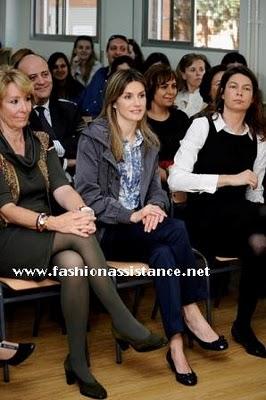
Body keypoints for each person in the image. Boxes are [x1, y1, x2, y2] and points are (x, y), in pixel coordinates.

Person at [0, 66, 167, 399]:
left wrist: (83, 212)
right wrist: (59, 223)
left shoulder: (40, 141)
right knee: (78, 235)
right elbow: (5, 208)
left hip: (48, 233)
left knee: (75, 267)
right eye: (13, 101)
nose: (23, 108)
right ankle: (121, 319)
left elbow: (63, 188)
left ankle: (77, 361)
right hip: (10, 237)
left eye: (26, 100)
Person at [75, 69, 228, 388]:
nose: (136, 102)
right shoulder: (94, 138)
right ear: (114, 101)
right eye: (128, 96)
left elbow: (157, 191)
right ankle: (191, 309)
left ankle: (175, 345)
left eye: (141, 95)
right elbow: (87, 194)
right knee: (177, 231)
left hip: (147, 230)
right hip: (108, 232)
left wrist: (156, 207)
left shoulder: (149, 141)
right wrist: (131, 215)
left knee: (164, 256)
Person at [168, 65, 266, 358]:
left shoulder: (258, 137)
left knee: (259, 240)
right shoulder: (202, 126)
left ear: (253, 98)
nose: (239, 93)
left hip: (242, 219)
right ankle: (242, 327)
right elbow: (176, 178)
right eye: (233, 86)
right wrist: (227, 179)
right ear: (221, 93)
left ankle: (243, 325)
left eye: (246, 89)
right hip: (204, 218)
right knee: (258, 237)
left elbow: (254, 190)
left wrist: (249, 195)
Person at [17, 54, 84, 181]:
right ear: (20, 82)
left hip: (77, 183)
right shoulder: (17, 116)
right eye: (32, 77)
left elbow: (84, 148)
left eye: (45, 74)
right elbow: (31, 160)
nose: (41, 81)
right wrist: (68, 162)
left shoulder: (70, 109)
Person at [144, 64, 190, 187]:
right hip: (149, 183)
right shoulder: (140, 120)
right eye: (164, 87)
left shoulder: (181, 118)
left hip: (181, 182)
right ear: (151, 88)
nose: (171, 92)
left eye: (174, 86)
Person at [79, 34, 129, 119]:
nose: (117, 52)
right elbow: (85, 100)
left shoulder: (132, 78)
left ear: (128, 53)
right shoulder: (100, 73)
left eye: (122, 49)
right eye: (113, 48)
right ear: (106, 53)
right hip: (87, 122)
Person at [175, 53, 211, 117]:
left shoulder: (209, 97)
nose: (198, 73)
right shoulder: (175, 96)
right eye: (193, 70)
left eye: (201, 70)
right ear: (183, 75)